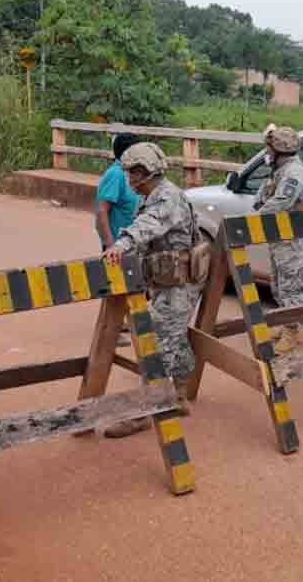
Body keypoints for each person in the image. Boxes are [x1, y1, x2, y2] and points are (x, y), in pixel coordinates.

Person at [101, 143, 204, 438]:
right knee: (174, 337)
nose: (130, 179)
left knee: (155, 345)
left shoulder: (165, 198)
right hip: (170, 280)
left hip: (178, 284)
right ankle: (180, 396)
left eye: (134, 173)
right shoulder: (154, 194)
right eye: (129, 172)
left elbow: (148, 225)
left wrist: (120, 244)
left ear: (146, 172)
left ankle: (144, 413)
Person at [254, 124, 303, 354]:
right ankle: (283, 324)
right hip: (280, 237)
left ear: (278, 151)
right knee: (279, 285)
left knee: (292, 286)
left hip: (293, 239)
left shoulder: (294, 173)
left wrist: (254, 219)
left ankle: (292, 331)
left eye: (269, 149)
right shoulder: (280, 170)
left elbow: (282, 202)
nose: (266, 154)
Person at [95, 133, 142, 347]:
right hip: (116, 241)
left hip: (131, 240)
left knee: (129, 285)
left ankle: (121, 323)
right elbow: (102, 211)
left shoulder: (131, 174)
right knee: (114, 286)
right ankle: (109, 332)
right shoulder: (115, 175)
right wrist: (109, 244)